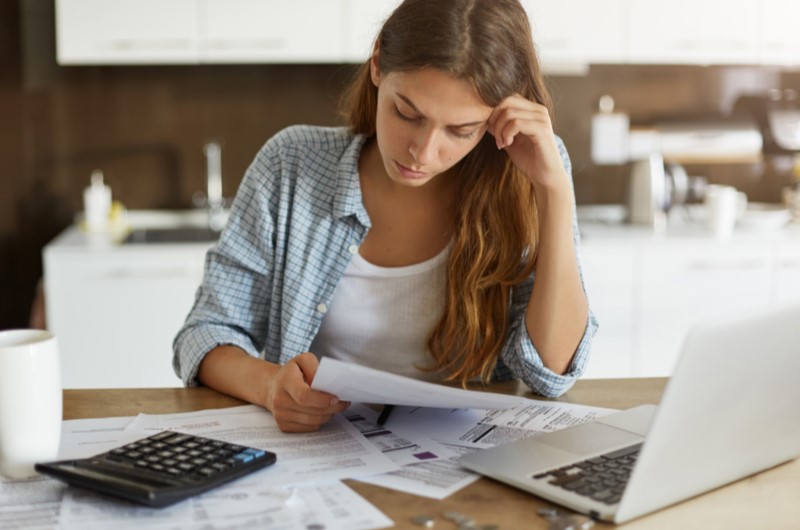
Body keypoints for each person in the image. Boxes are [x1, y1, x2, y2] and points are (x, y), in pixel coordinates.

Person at [174, 0, 597, 433]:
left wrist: (554, 189)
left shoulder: (526, 178)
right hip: (321, 453)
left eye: (460, 131)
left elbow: (550, 370)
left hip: (468, 466)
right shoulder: (292, 165)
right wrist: (269, 386)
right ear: (377, 63)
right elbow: (205, 333)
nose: (424, 151)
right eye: (407, 114)